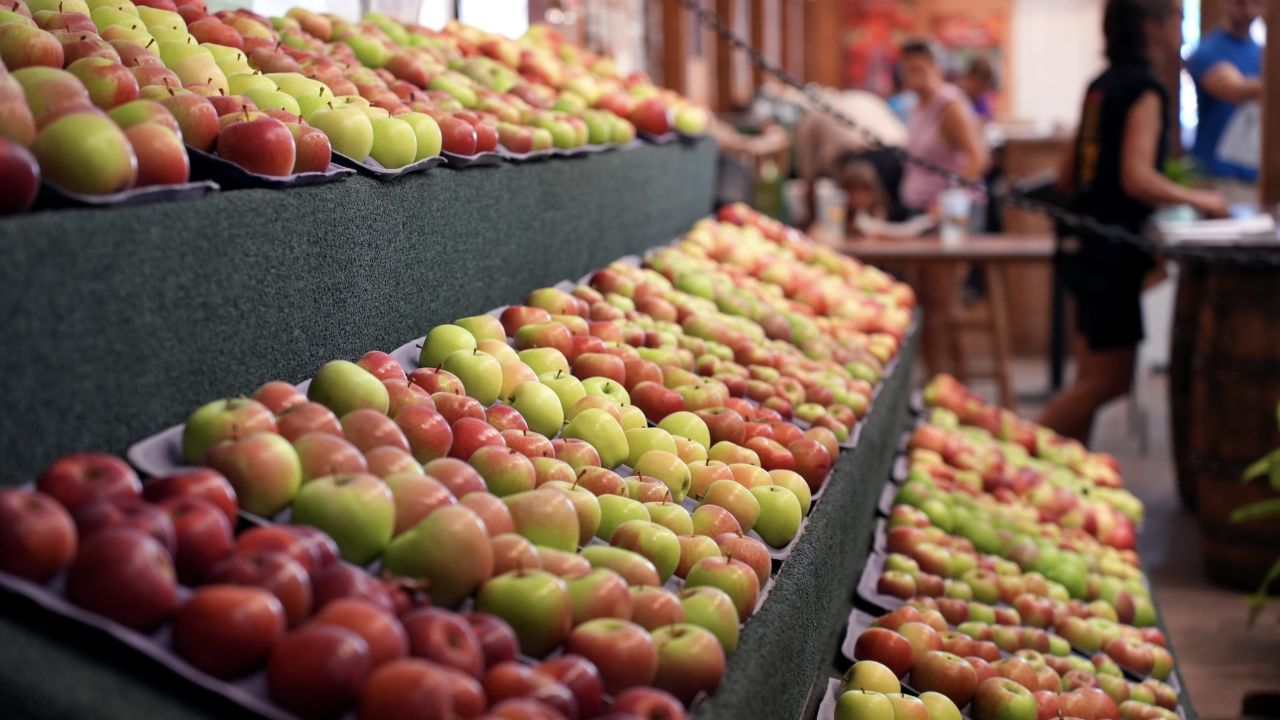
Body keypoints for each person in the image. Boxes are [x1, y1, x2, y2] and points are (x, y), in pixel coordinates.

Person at [1038, 0, 1229, 443]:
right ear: (1152, 25)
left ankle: (1060, 485)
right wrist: (1201, 199)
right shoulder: (1145, 89)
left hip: (1084, 250)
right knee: (1106, 383)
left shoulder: (1099, 86)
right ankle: (1009, 451)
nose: (1183, 28)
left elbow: (1067, 175)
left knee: (1087, 380)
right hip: (1114, 253)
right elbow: (1137, 177)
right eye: (1179, 16)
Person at [896, 40, 991, 378]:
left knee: (941, 306)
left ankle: (951, 383)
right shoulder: (916, 107)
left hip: (948, 219)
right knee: (923, 306)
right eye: (909, 68)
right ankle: (935, 381)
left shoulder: (948, 106)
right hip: (919, 217)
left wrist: (948, 197)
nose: (914, 74)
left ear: (938, 68)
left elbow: (978, 158)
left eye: (921, 67)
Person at [792, 86, 907, 229]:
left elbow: (809, 180)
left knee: (859, 206)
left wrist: (810, 225)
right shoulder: (861, 97)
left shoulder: (809, 120)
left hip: (859, 157)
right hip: (900, 152)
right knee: (893, 220)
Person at [1187, 0, 1263, 204]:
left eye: (1255, 3)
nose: (1248, 11)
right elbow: (1234, 90)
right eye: (1240, 3)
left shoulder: (1262, 54)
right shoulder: (1208, 50)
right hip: (1217, 177)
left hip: (1256, 175)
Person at [958, 56, 998, 122]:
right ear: (969, 77)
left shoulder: (980, 99)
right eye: (979, 83)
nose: (981, 89)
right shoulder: (956, 97)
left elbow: (988, 117)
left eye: (984, 85)